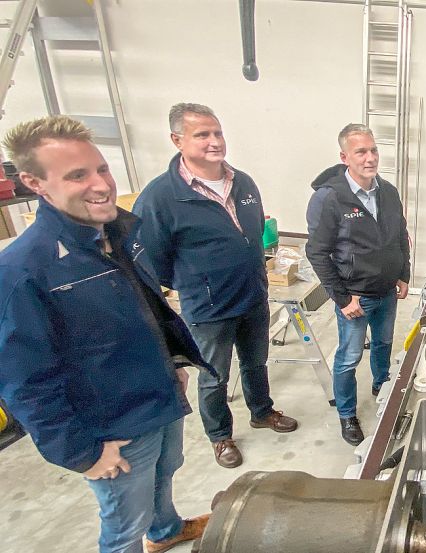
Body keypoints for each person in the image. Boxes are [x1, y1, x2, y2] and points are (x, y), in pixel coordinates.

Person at [0, 115, 210, 553]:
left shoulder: (118, 232)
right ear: (35, 182)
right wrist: (82, 454)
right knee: (123, 526)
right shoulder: (23, 271)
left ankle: (166, 530)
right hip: (114, 427)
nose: (101, 185)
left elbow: (143, 310)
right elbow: (25, 383)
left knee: (165, 472)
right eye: (77, 176)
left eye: (102, 169)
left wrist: (172, 362)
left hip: (159, 397)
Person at [134, 103, 297, 469]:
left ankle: (262, 411)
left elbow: (254, 231)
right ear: (177, 140)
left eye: (217, 133)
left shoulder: (243, 182)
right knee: (214, 376)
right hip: (208, 309)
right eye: (202, 135)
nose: (214, 141)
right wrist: (195, 283)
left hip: (253, 296)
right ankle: (220, 436)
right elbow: (151, 259)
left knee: (256, 362)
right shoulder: (161, 197)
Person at [306, 123, 410, 446]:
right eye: (361, 152)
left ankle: (382, 388)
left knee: (383, 346)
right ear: (345, 157)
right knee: (349, 357)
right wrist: (341, 298)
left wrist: (404, 273)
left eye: (373, 150)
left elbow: (400, 237)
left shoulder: (388, 192)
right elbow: (317, 253)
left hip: (386, 293)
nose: (370, 158)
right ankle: (347, 414)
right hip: (354, 298)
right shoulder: (331, 198)